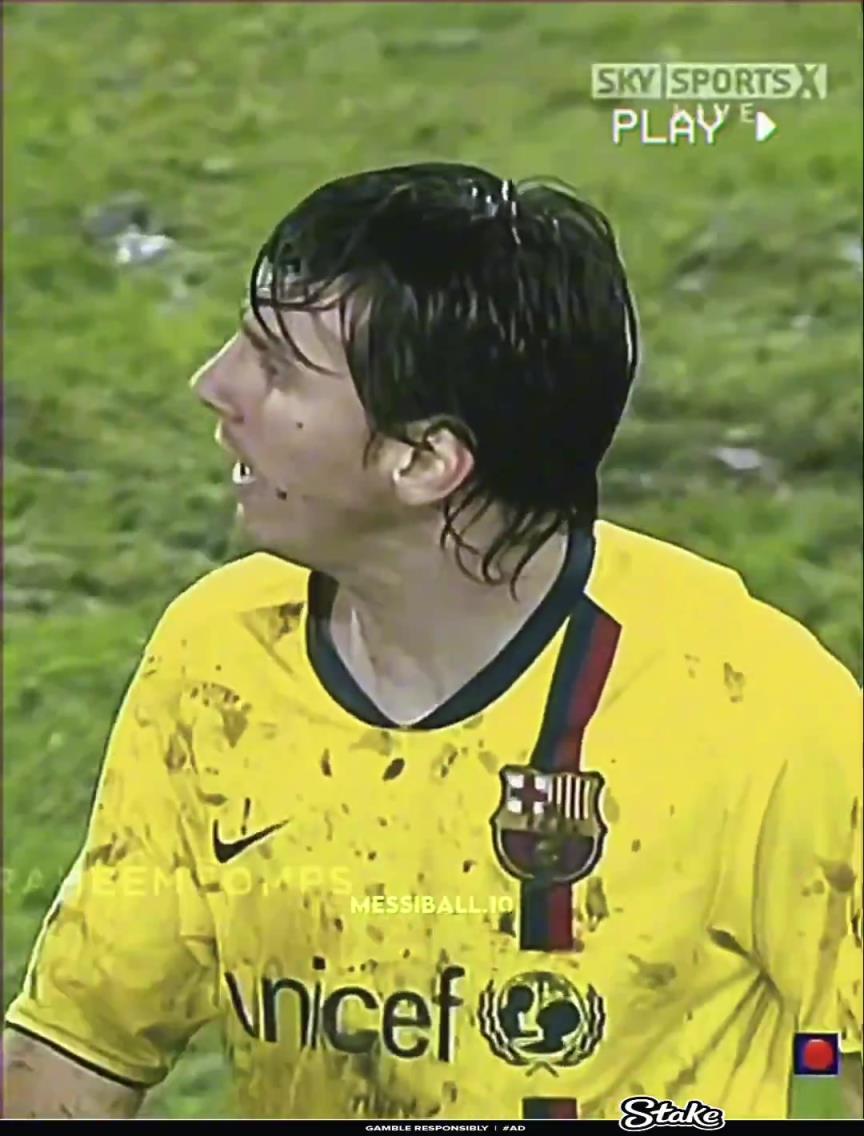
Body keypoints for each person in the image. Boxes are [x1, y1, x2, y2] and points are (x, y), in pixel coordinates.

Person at [3, 163, 861, 1121]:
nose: (214, 386)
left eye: (277, 368)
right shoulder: (219, 661)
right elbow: (76, 1048)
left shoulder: (754, 713)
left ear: (423, 459)